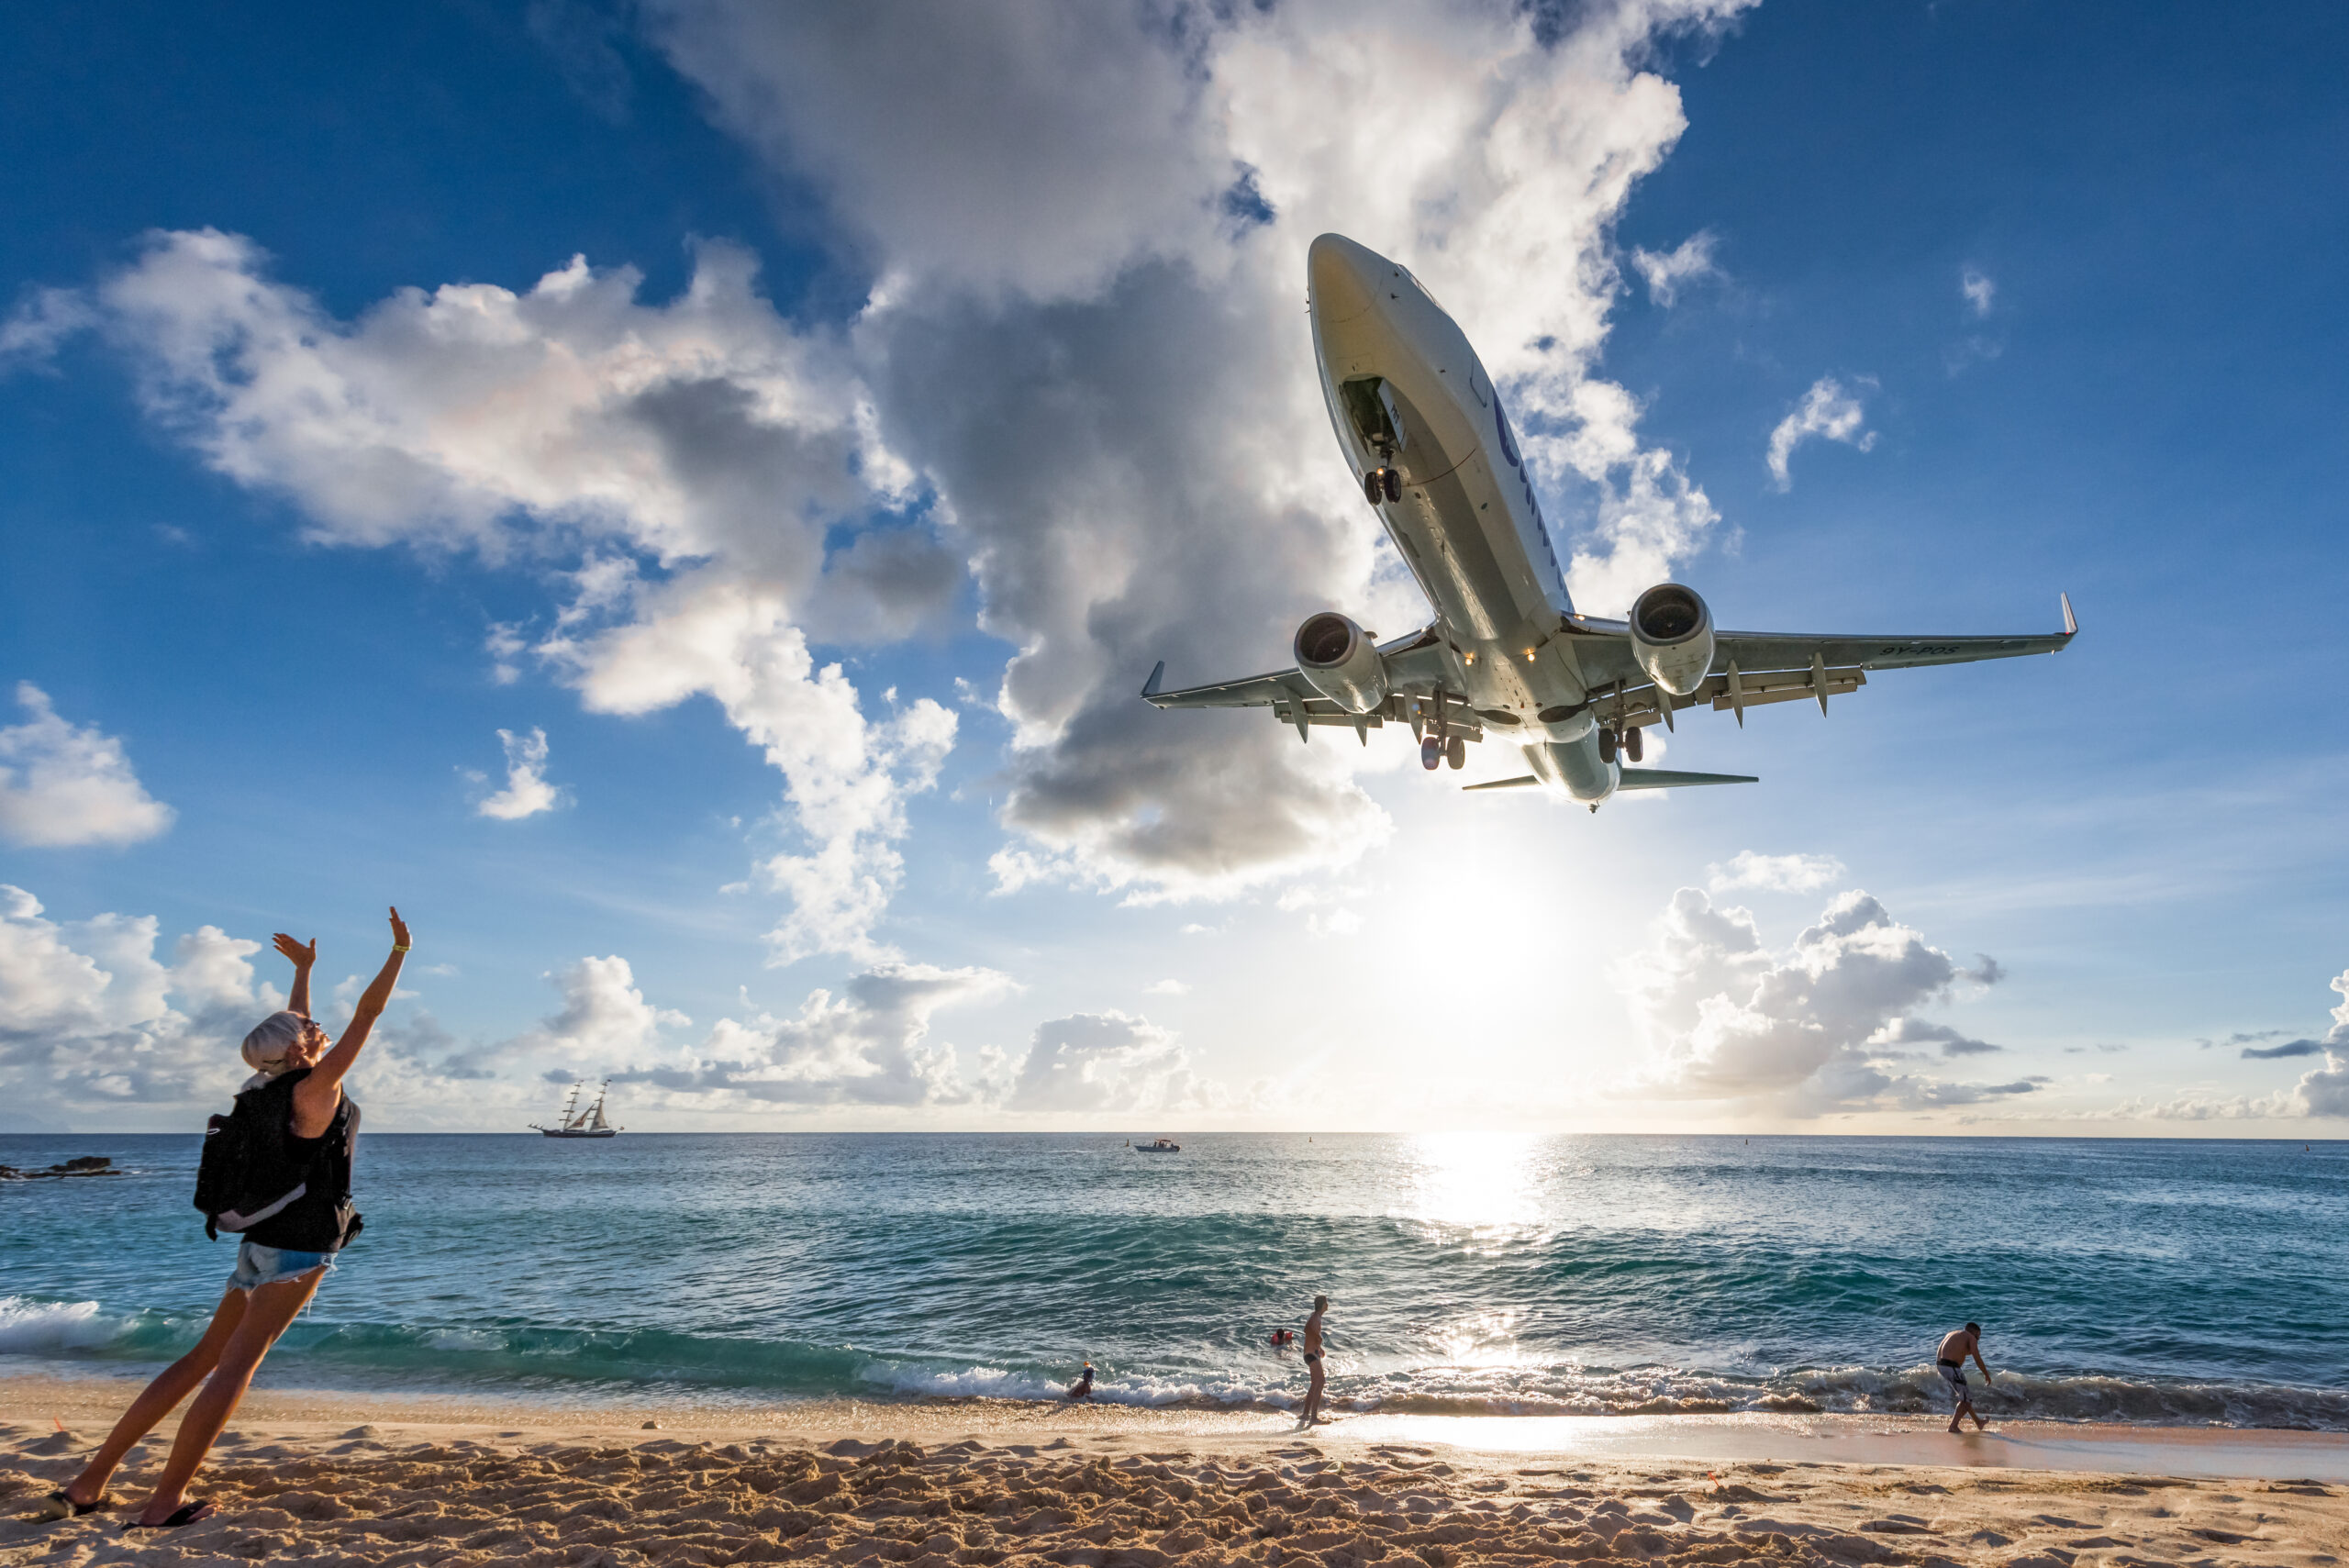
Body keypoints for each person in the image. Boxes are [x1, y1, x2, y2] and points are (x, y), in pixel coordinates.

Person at [41, 909, 409, 1530]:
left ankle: (87, 1482)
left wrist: (303, 970)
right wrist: (398, 949)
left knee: (198, 1360)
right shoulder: (318, 1089)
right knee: (234, 1368)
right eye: (308, 1028)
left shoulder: (261, 1090)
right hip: (296, 1252)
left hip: (257, 1245)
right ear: (300, 1049)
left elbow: (296, 1030)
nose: (315, 1027)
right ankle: (163, 1502)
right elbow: (365, 1016)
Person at [1936, 1321, 1991, 1433]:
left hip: (1942, 1365)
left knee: (1965, 1398)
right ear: (1975, 1332)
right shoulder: (1970, 1337)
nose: (1977, 1340)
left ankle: (1978, 1422)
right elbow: (1977, 1358)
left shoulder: (1953, 1334)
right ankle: (1953, 1426)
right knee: (1966, 1399)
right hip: (1950, 1366)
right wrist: (1986, 1374)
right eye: (1978, 1337)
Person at [1297, 1296, 1330, 1427]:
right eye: (1326, 1303)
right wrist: (1318, 1337)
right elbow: (1307, 1329)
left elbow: (1311, 1334)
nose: (1328, 1305)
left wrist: (1319, 1348)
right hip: (1310, 1354)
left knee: (1315, 1383)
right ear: (1322, 1305)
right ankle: (1314, 1417)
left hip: (1312, 1353)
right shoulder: (1315, 1316)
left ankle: (1306, 1414)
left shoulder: (1317, 1317)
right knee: (1321, 1381)